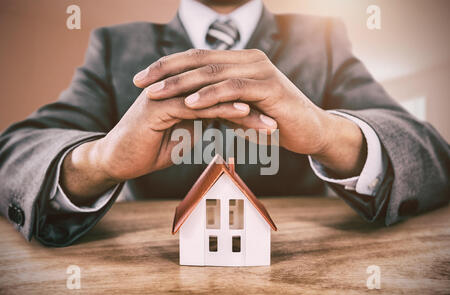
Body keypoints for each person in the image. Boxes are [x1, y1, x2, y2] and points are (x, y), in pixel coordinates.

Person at [0, 0, 448, 247]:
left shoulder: (322, 38)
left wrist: (329, 133)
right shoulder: (116, 45)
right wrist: (99, 159)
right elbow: (16, 150)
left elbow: (428, 151)